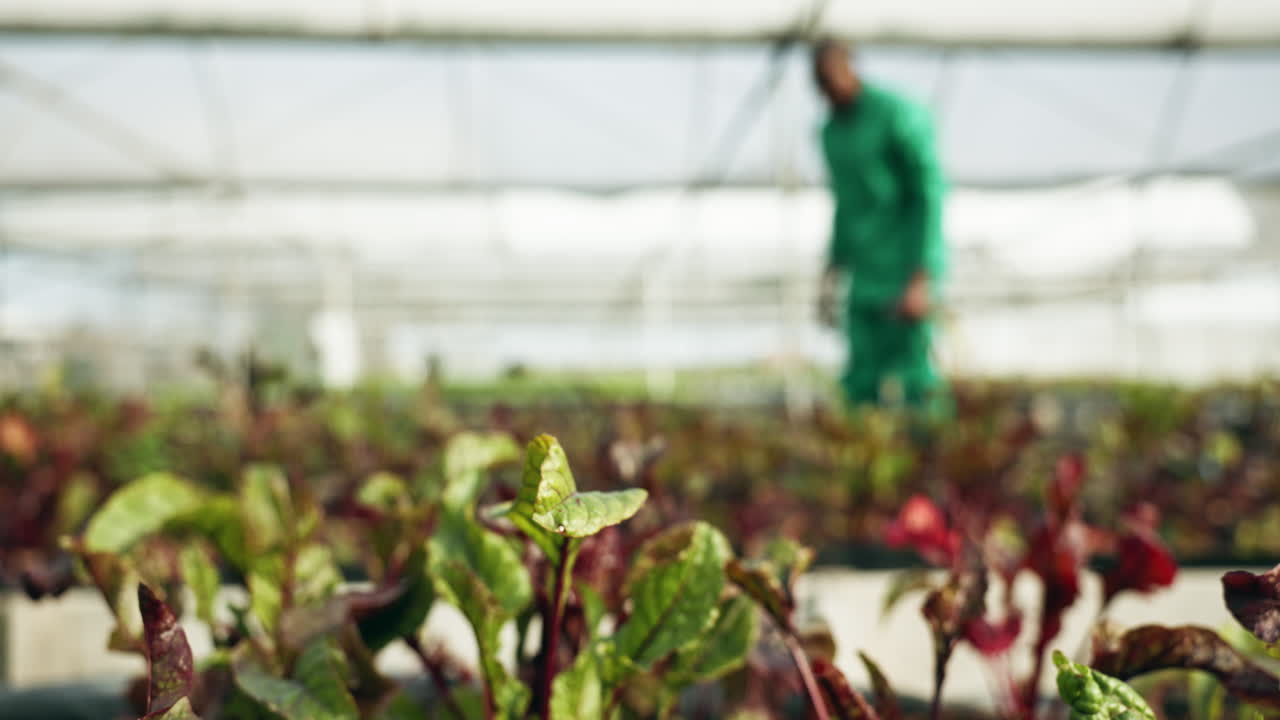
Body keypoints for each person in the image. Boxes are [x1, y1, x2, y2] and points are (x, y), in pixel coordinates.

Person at [813, 39, 948, 412]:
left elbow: (928, 194)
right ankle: (861, 461)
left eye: (834, 75)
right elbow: (844, 203)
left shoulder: (896, 115)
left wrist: (922, 274)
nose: (830, 88)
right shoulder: (831, 133)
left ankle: (931, 463)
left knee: (916, 380)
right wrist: (832, 269)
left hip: (904, 268)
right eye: (821, 82)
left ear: (850, 67)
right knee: (860, 380)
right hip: (864, 272)